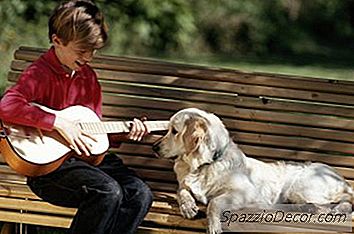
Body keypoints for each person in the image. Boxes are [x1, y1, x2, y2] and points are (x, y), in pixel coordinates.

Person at [0, 1, 153, 233]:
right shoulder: (38, 74)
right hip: (50, 170)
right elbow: (8, 105)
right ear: (57, 41)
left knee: (139, 194)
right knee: (108, 191)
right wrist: (58, 123)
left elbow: (92, 135)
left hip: (86, 161)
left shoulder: (88, 78)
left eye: (94, 50)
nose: (89, 57)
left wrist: (125, 133)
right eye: (82, 50)